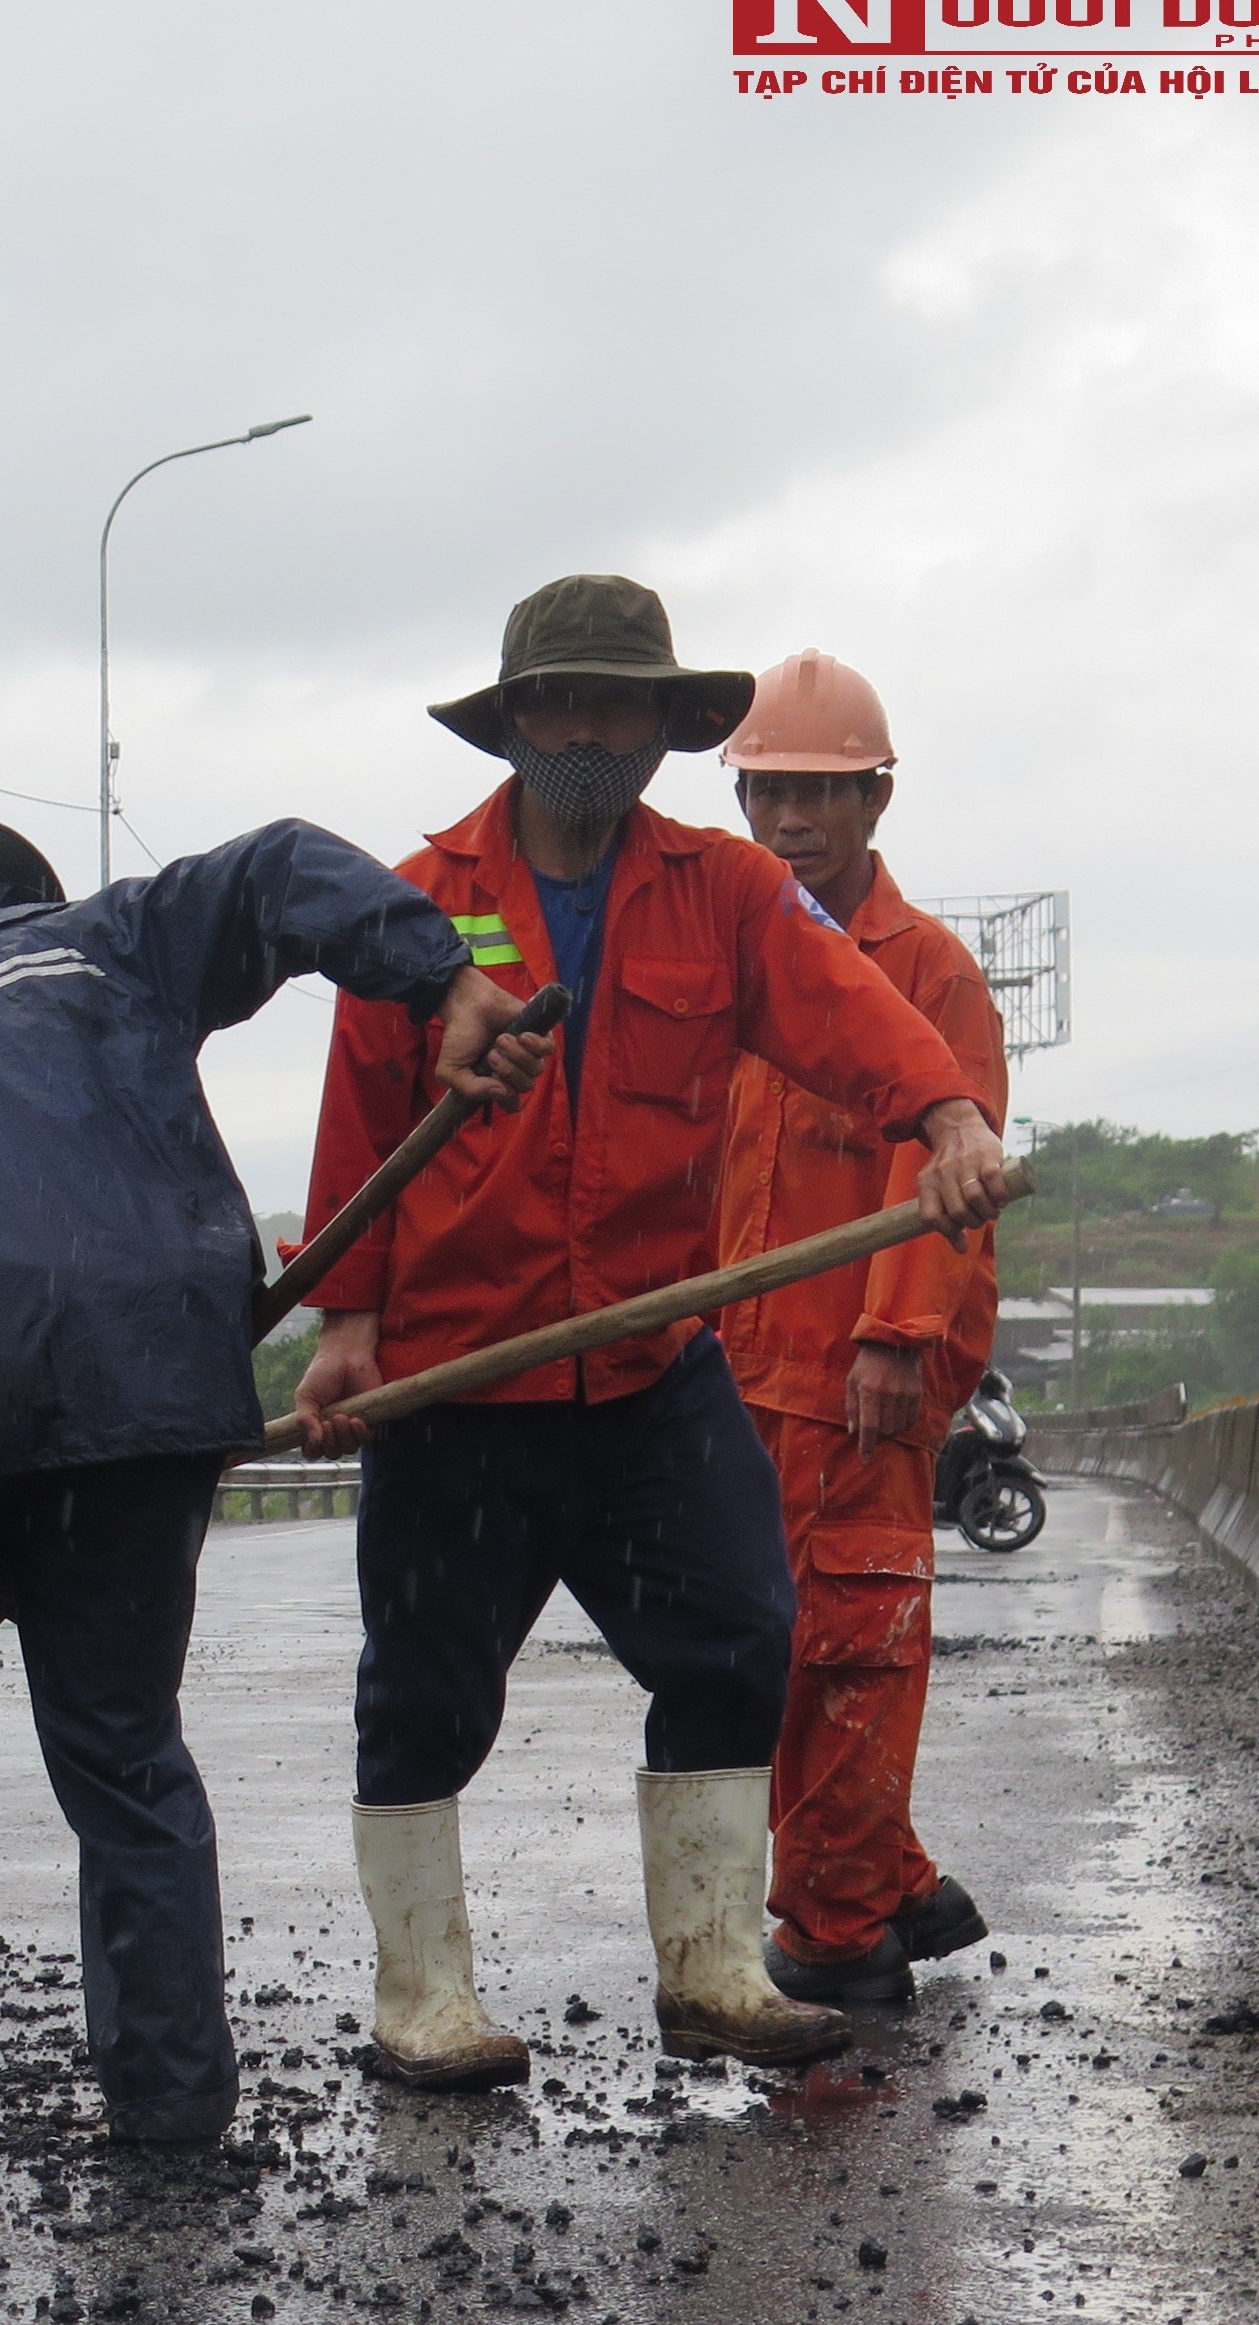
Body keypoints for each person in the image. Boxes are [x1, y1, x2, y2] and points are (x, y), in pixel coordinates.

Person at [0, 810, 546, 2149]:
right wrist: (440, 976)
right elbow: (277, 870)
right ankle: (173, 2095)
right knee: (123, 1746)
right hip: (158, 1375)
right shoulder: (107, 938)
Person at [291, 576, 1014, 2088]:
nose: (592, 731)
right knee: (424, 1693)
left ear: (664, 731)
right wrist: (346, 1327)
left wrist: (943, 1111)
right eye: (564, 702)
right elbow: (360, 1117)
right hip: (459, 1377)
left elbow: (849, 1016)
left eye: (624, 705)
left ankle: (712, 1970)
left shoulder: (725, 896)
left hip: (647, 1366)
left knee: (745, 1640)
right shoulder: (420, 906)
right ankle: (422, 1995)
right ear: (516, 720)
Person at [711, 651, 1007, 2002]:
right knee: (768, 1635)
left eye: (822, 794)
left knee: (848, 1633)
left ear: (877, 802)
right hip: (733, 1373)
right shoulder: (720, 961)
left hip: (858, 1370)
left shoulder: (928, 971)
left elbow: (946, 1165)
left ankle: (832, 1927)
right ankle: (882, 1873)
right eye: (770, 790)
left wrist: (898, 1334)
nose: (790, 822)